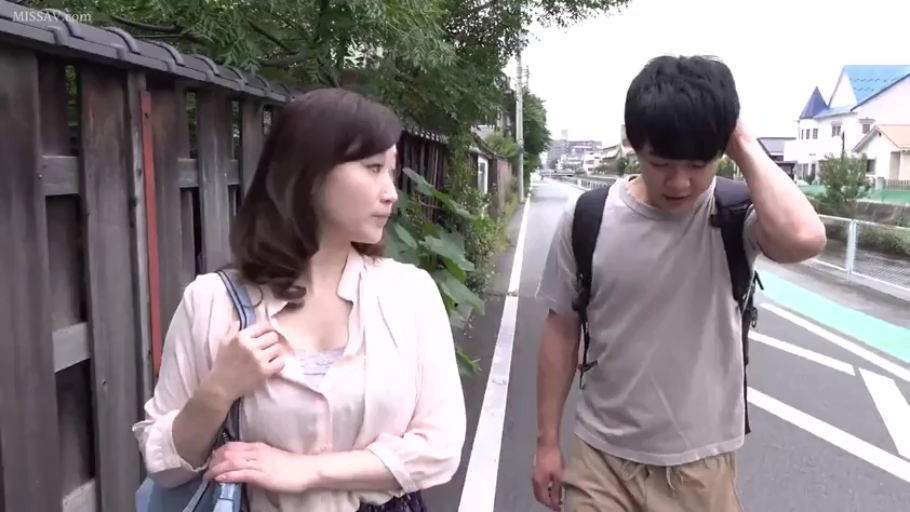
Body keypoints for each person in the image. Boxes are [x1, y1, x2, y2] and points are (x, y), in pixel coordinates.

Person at [133, 88, 466, 512]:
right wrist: (218, 391)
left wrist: (306, 471)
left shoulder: (410, 294)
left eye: (391, 172)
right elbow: (164, 466)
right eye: (372, 168)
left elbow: (439, 448)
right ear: (309, 173)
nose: (390, 192)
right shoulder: (212, 302)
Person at [531, 55, 826, 511]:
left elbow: (805, 239)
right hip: (600, 459)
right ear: (633, 144)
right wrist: (547, 442)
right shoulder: (588, 218)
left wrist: (741, 140)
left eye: (698, 164)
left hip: (701, 468)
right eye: (662, 163)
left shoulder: (735, 214)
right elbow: (561, 332)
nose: (680, 182)